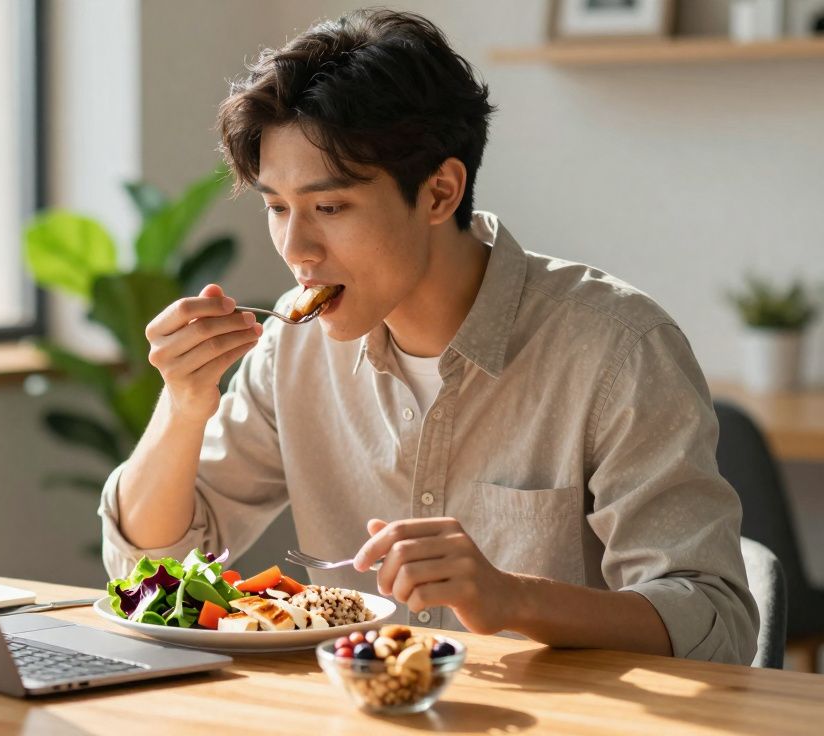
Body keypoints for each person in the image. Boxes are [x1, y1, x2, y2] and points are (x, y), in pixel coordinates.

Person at [98, 9, 757, 665]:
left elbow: (716, 622)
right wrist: (184, 405)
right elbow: (151, 569)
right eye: (277, 207)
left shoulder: (618, 348)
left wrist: (514, 599)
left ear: (440, 193)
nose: (296, 248)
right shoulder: (292, 348)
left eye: (329, 208)